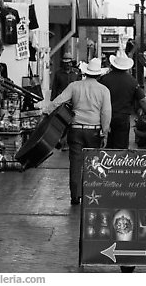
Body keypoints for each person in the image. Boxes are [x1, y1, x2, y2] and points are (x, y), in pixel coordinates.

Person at [42, 58, 111, 205]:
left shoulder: (74, 86)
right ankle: (90, 194)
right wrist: (105, 132)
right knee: (93, 164)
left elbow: (58, 101)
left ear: (85, 72)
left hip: (75, 130)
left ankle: (75, 196)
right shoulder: (104, 90)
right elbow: (106, 113)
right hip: (94, 130)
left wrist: (46, 112)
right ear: (99, 75)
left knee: (75, 163)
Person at [100, 50, 146, 149]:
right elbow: (143, 100)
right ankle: (118, 162)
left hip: (105, 116)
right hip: (123, 117)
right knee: (121, 145)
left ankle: (106, 162)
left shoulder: (104, 79)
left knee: (107, 144)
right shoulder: (132, 81)